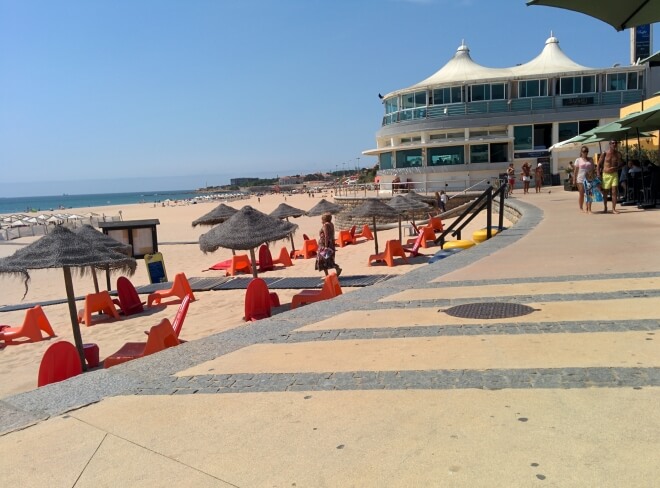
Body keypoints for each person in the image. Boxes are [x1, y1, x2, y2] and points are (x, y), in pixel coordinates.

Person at [598, 140, 623, 213]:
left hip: (614, 174)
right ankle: (605, 207)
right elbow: (599, 164)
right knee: (605, 192)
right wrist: (598, 174)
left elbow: (622, 163)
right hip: (606, 174)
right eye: (613, 143)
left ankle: (614, 209)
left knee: (614, 191)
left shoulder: (618, 154)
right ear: (609, 144)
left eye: (616, 143)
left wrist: (616, 168)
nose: (614, 144)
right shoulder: (604, 153)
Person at [574, 146, 593, 212]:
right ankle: (581, 207)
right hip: (580, 179)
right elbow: (575, 171)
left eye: (586, 151)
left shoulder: (590, 159)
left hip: (589, 179)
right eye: (584, 151)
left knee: (590, 193)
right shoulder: (578, 160)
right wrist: (574, 180)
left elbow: (593, 169)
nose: (585, 153)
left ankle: (589, 207)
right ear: (581, 152)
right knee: (582, 193)